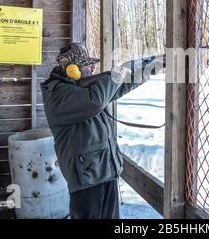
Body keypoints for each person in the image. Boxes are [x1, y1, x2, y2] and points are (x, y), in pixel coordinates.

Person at [40, 43, 164, 219]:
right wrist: (112, 77)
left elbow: (119, 87)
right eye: (87, 65)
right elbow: (95, 100)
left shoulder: (79, 87)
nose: (92, 67)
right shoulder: (58, 94)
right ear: (72, 70)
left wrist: (153, 66)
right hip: (86, 179)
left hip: (105, 170)